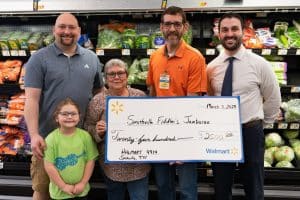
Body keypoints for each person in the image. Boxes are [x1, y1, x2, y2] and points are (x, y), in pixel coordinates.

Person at [24, 12, 103, 200]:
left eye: (71, 27)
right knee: (43, 189)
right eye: (62, 27)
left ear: (79, 31)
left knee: (75, 189)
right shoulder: (39, 59)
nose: (66, 31)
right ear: (54, 30)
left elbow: (100, 93)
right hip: (47, 141)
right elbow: (31, 99)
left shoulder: (91, 59)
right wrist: (34, 135)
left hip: (80, 140)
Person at [206, 13, 281, 200]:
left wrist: (260, 124)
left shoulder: (259, 64)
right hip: (221, 135)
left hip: (250, 132)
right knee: (221, 189)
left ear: (242, 32)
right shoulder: (211, 68)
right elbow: (207, 100)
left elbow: (273, 98)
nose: (229, 34)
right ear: (219, 33)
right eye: (225, 30)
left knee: (254, 188)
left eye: (234, 29)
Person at [146, 6, 207, 200]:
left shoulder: (195, 57)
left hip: (185, 132)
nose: (172, 28)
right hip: (160, 132)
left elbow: (193, 103)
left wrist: (182, 143)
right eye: (168, 24)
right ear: (161, 27)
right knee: (164, 186)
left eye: (177, 24)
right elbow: (153, 93)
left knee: (188, 188)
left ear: (185, 27)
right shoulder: (155, 56)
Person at [84, 58, 151, 200]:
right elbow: (88, 125)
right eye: (111, 74)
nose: (116, 77)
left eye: (120, 73)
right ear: (105, 78)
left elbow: (150, 124)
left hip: (138, 164)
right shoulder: (98, 100)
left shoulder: (139, 96)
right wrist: (98, 131)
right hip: (111, 166)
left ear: (127, 75)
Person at [44, 98, 98, 199]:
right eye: (64, 114)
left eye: (73, 114)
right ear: (57, 117)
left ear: (79, 117)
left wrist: (82, 183)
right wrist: (63, 186)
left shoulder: (85, 136)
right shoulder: (51, 139)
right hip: (59, 193)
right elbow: (49, 166)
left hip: (81, 191)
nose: (69, 117)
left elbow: (90, 161)